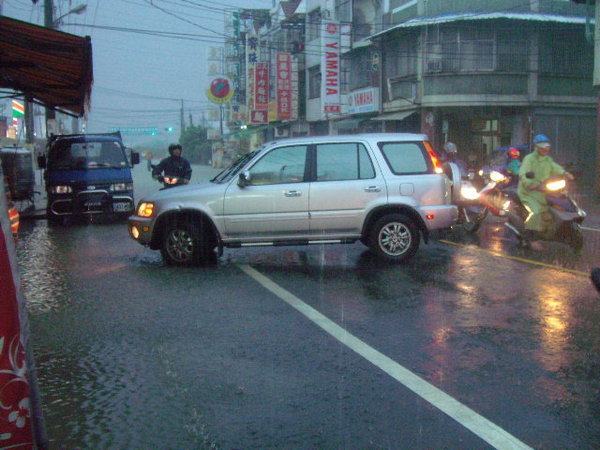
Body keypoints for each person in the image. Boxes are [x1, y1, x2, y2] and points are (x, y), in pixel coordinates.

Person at [517, 134, 573, 250]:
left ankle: (545, 233)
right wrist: (530, 184)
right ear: (536, 147)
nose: (545, 148)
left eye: (547, 146)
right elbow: (523, 174)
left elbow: (555, 167)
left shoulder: (548, 160)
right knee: (536, 212)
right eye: (542, 146)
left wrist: (565, 174)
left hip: (543, 191)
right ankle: (529, 239)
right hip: (528, 192)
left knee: (550, 211)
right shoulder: (529, 159)